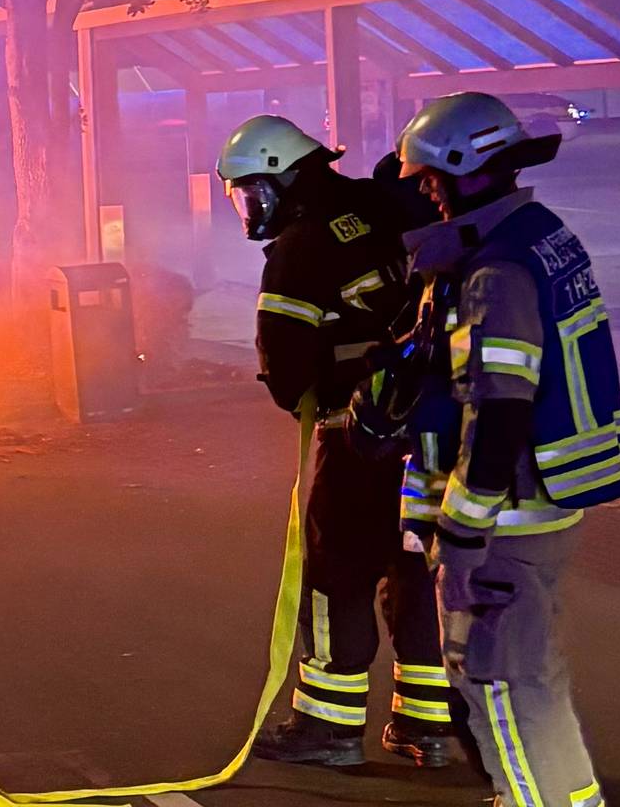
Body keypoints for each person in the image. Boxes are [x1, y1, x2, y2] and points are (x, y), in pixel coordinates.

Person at [393, 92, 620, 807]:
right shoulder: (541, 234)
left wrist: (460, 537)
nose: (426, 194)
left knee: (499, 681)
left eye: (430, 178)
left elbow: (498, 411)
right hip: (542, 507)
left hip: (506, 518)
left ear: (465, 171)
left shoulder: (495, 273)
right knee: (532, 677)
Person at [215, 115, 459, 769]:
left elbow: (286, 370)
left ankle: (327, 729)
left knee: (336, 572)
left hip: (355, 433)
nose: (250, 208)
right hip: (430, 427)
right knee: (413, 564)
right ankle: (428, 727)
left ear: (279, 178)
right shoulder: (380, 204)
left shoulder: (299, 249)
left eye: (250, 192)